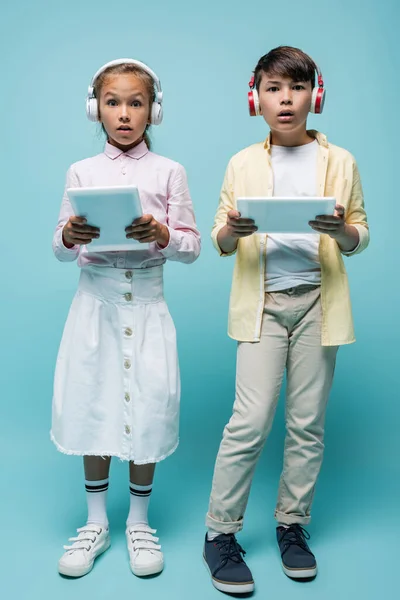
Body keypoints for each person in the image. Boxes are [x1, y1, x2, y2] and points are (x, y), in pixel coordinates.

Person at [203, 46, 369, 593]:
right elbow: (219, 240)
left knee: (307, 426)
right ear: (257, 98)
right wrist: (234, 230)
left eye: (296, 88)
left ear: (313, 96)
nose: (286, 99)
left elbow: (358, 235)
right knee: (248, 423)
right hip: (264, 306)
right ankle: (219, 533)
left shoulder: (340, 161)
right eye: (274, 89)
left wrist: (340, 230)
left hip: (320, 303)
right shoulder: (242, 162)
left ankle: (292, 526)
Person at [51, 58, 201, 579]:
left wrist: (162, 235)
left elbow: (191, 247)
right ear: (96, 108)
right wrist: (70, 236)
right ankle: (96, 521)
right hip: (95, 307)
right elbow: (59, 246)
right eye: (112, 102)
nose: (123, 113)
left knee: (150, 408)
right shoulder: (81, 172)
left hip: (148, 304)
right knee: (93, 403)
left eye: (135, 103)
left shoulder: (169, 172)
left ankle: (139, 520)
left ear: (152, 111)